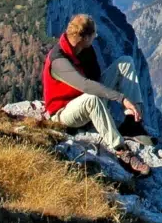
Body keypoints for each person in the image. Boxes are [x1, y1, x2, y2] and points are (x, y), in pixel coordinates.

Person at [42, 13, 151, 176]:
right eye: (93, 35)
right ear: (85, 37)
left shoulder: (84, 49)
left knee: (125, 62)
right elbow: (85, 85)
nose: (95, 39)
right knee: (91, 99)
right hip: (63, 112)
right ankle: (121, 151)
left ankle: (131, 123)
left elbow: (95, 77)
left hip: (84, 100)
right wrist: (121, 98)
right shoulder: (59, 60)